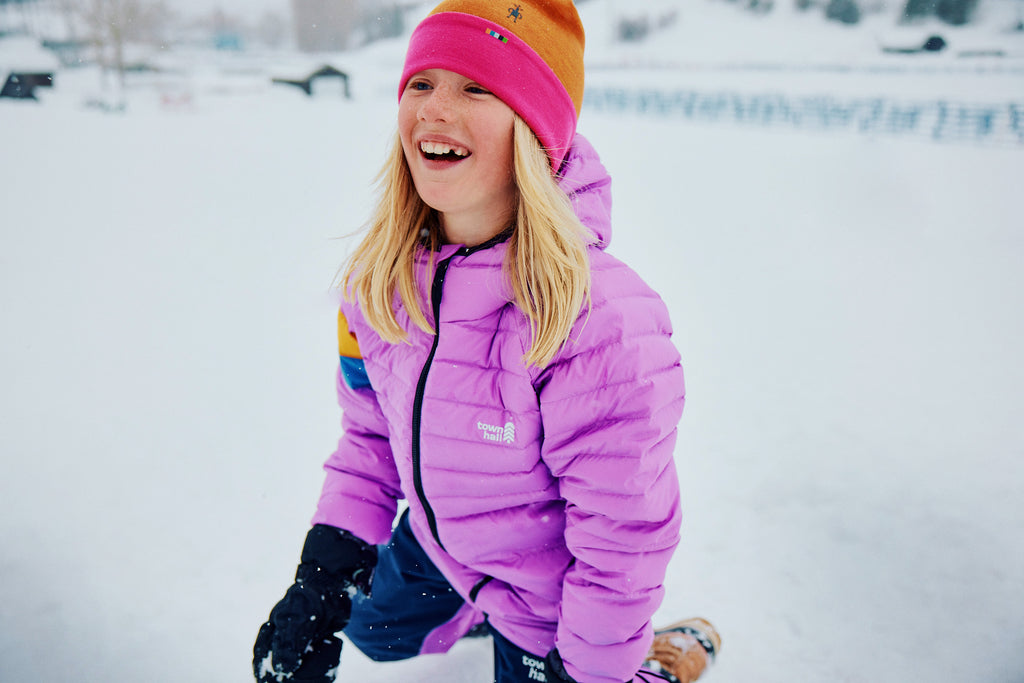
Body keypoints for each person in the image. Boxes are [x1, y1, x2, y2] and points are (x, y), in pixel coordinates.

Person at [252, 2, 721, 682]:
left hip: (544, 596)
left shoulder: (599, 322)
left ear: (533, 132)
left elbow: (621, 543)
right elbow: (371, 439)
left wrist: (586, 669)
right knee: (373, 630)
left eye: (476, 86)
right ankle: (471, 609)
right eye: (421, 83)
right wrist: (319, 583)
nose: (435, 109)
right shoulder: (376, 285)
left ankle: (660, 662)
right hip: (447, 541)